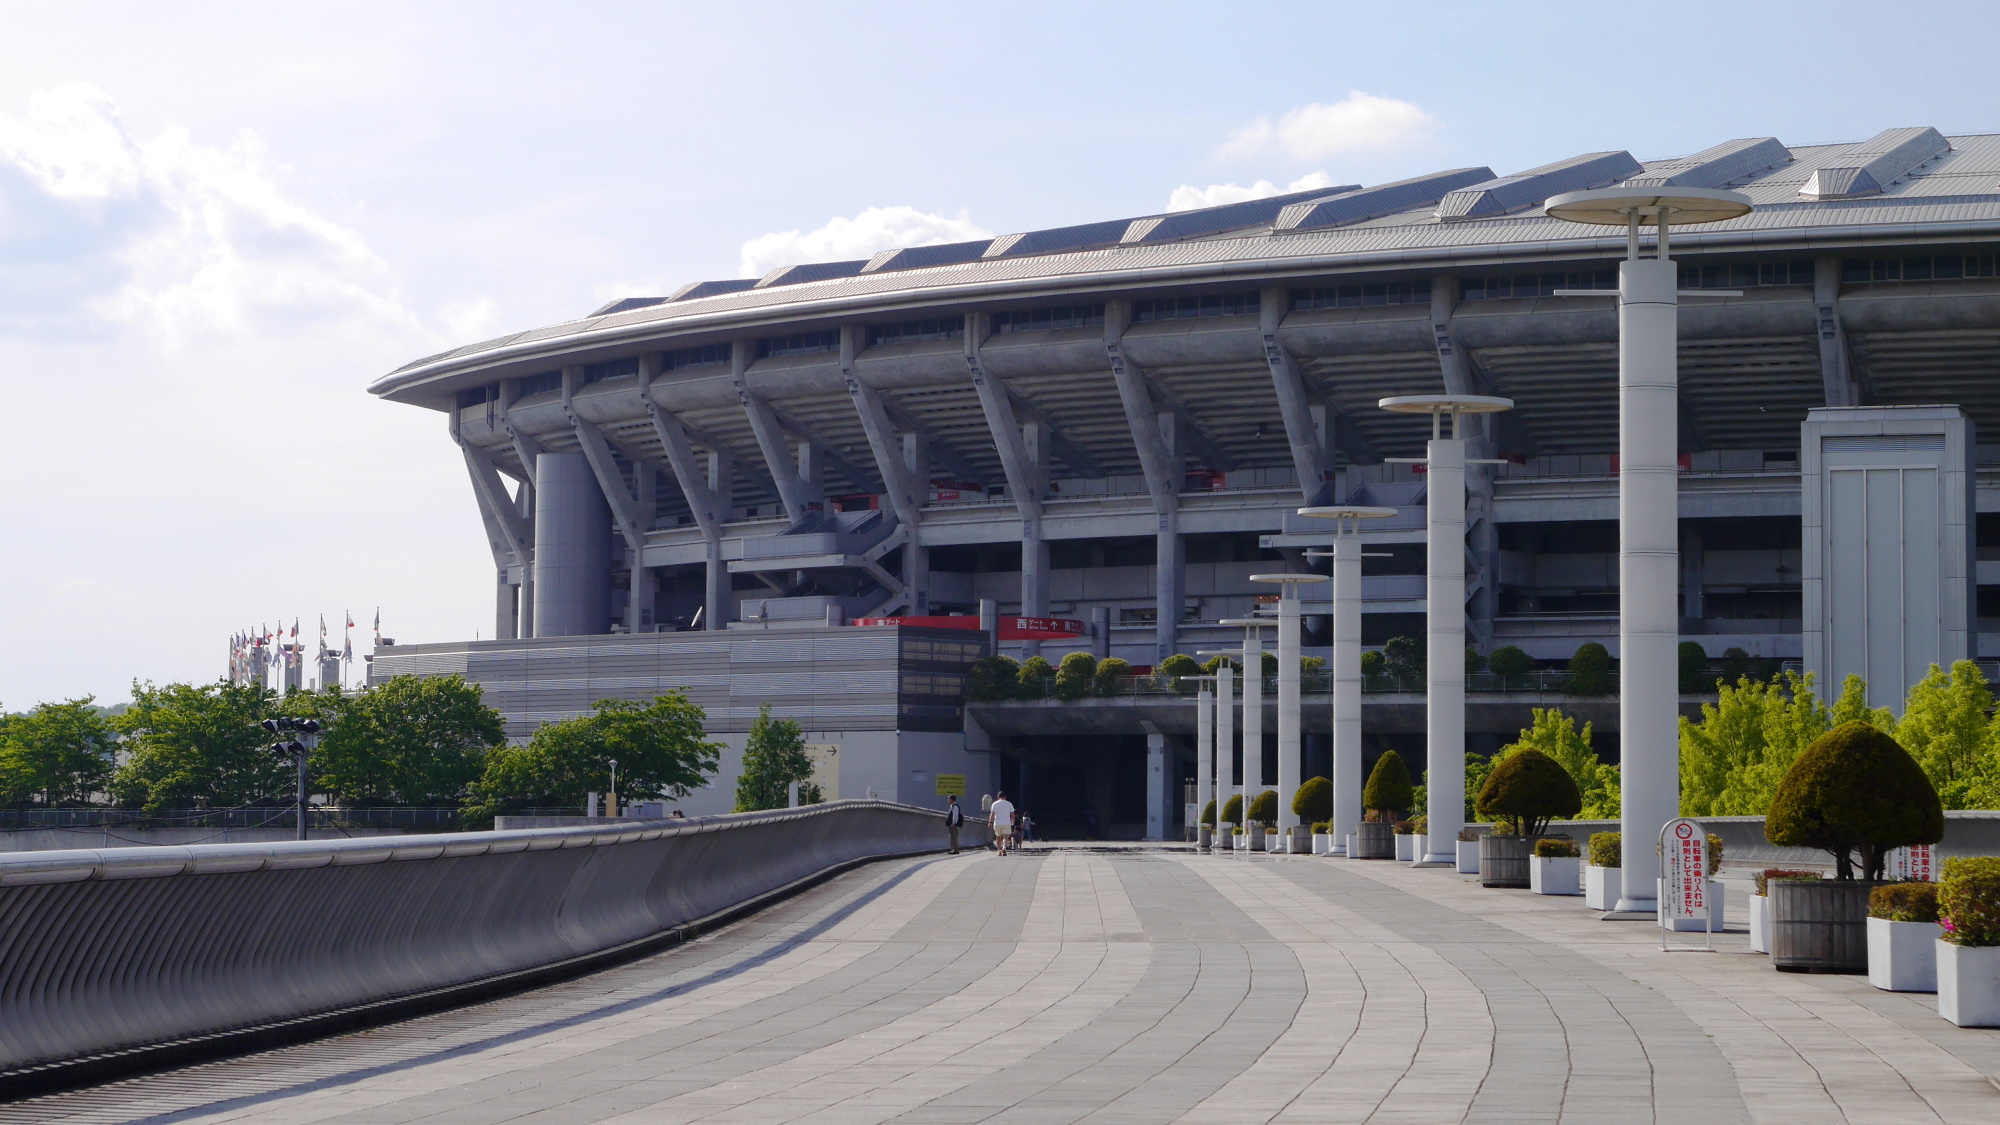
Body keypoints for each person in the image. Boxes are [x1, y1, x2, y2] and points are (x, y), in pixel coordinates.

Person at [989, 791, 1016, 856]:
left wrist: (990, 822)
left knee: (998, 837)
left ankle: (999, 851)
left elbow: (992, 814)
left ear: (998, 797)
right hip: (1006, 823)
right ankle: (1004, 847)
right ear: (1005, 797)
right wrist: (1013, 820)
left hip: (997, 823)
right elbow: (1012, 814)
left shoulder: (994, 804)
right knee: (1005, 837)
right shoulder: (1009, 804)